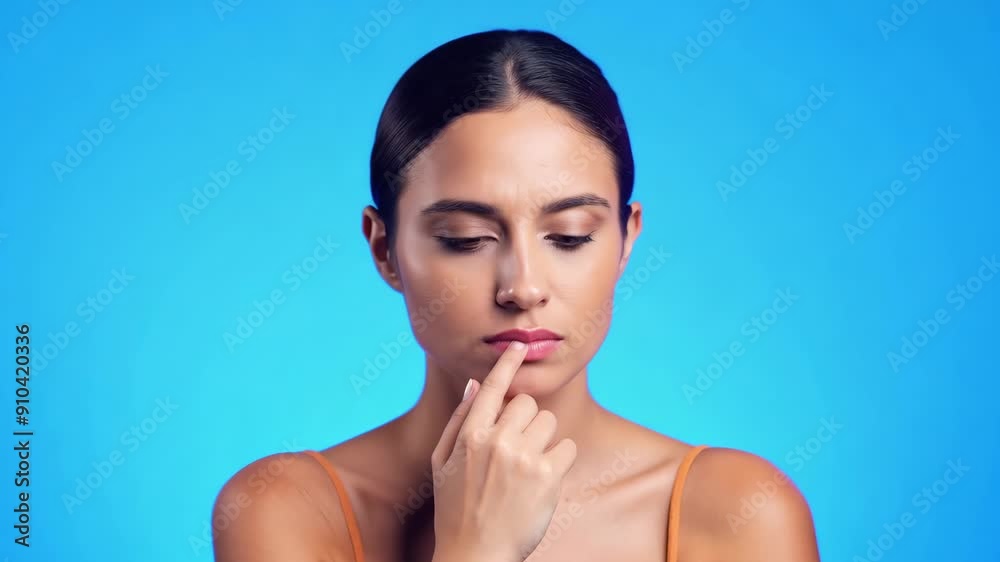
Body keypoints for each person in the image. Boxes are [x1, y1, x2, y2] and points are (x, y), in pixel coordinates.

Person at [212, 28, 821, 561]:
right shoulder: (288, 508)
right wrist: (477, 548)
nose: (523, 287)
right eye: (465, 238)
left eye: (570, 235)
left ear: (626, 238)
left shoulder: (738, 509)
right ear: (384, 250)